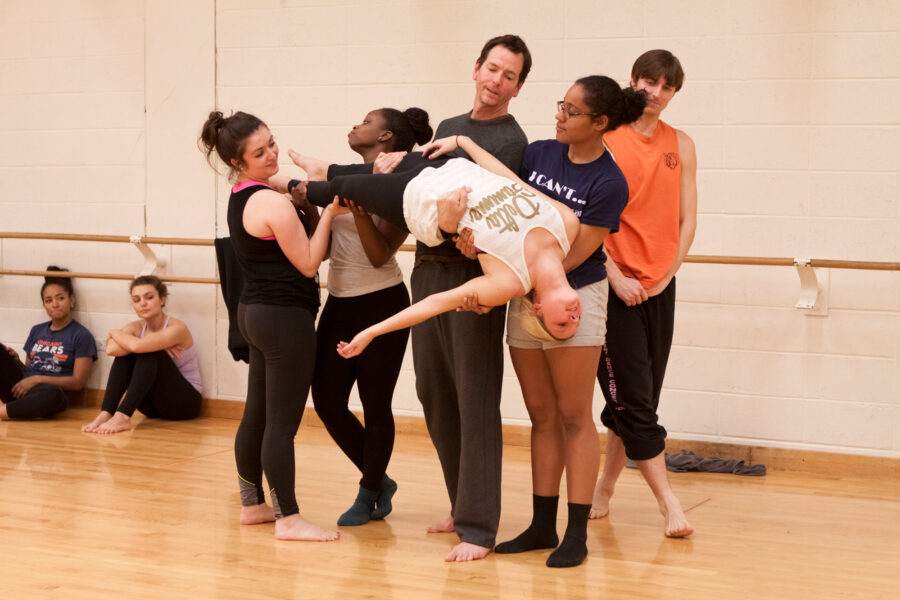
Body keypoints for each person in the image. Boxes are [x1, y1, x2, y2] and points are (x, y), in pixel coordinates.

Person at [482, 76, 644, 568]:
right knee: (541, 415)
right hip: (526, 293)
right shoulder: (538, 155)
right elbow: (510, 213)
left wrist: (532, 282)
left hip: (574, 297)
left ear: (600, 123)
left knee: (575, 416)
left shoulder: (609, 181)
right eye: (561, 105)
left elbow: (577, 253)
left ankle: (575, 533)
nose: (560, 115)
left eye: (572, 111)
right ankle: (540, 524)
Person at [293, 133, 583, 357]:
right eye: (576, 321)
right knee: (380, 164)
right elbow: (512, 180)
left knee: (343, 188)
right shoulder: (567, 225)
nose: (574, 318)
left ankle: (291, 187)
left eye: (562, 324)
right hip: (454, 167)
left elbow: (434, 303)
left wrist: (371, 332)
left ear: (538, 309)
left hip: (421, 199)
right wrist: (464, 142)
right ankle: (319, 167)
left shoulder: (509, 283)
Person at [199, 110, 345, 542]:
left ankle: (253, 505)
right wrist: (331, 210)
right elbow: (309, 261)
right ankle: (289, 518)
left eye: (272, 142)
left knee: (257, 414)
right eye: (259, 152)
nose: (271, 154)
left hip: (254, 314)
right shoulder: (269, 201)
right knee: (282, 423)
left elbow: (296, 224)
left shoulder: (243, 193)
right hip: (283, 319)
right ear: (238, 162)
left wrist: (306, 201)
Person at [590, 50, 698, 539]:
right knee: (634, 400)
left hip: (659, 286)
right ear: (632, 82)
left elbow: (687, 219)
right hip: (613, 286)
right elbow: (587, 221)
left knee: (640, 399)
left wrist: (668, 275)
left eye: (666, 87)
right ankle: (669, 504)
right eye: (648, 83)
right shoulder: (607, 139)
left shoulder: (683, 144)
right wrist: (615, 275)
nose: (656, 93)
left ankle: (603, 491)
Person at [310, 107, 430, 526]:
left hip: (383, 303)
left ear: (385, 138)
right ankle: (379, 479)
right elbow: (322, 249)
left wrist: (357, 208)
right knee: (326, 401)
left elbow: (380, 256)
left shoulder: (402, 191)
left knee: (375, 403)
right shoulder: (342, 183)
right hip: (339, 302)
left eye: (365, 121)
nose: (355, 124)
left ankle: (367, 491)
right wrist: (316, 209)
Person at [81, 276, 202, 434]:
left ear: (162, 299)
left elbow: (135, 345)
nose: (143, 303)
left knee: (149, 353)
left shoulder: (177, 327)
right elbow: (111, 350)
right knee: (129, 354)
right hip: (151, 407)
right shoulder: (136, 327)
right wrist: (127, 341)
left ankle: (123, 416)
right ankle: (107, 412)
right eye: (136, 300)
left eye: (149, 297)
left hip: (184, 404)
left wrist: (113, 332)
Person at [0, 267, 96, 420]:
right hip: (20, 389)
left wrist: (37, 380)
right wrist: (15, 361)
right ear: (44, 305)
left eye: (60, 298)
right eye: (48, 300)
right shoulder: (36, 330)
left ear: (71, 300)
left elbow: (78, 382)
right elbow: (29, 370)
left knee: (55, 394)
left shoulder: (82, 335)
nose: (55, 304)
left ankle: (6, 412)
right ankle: (16, 409)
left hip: (47, 394)